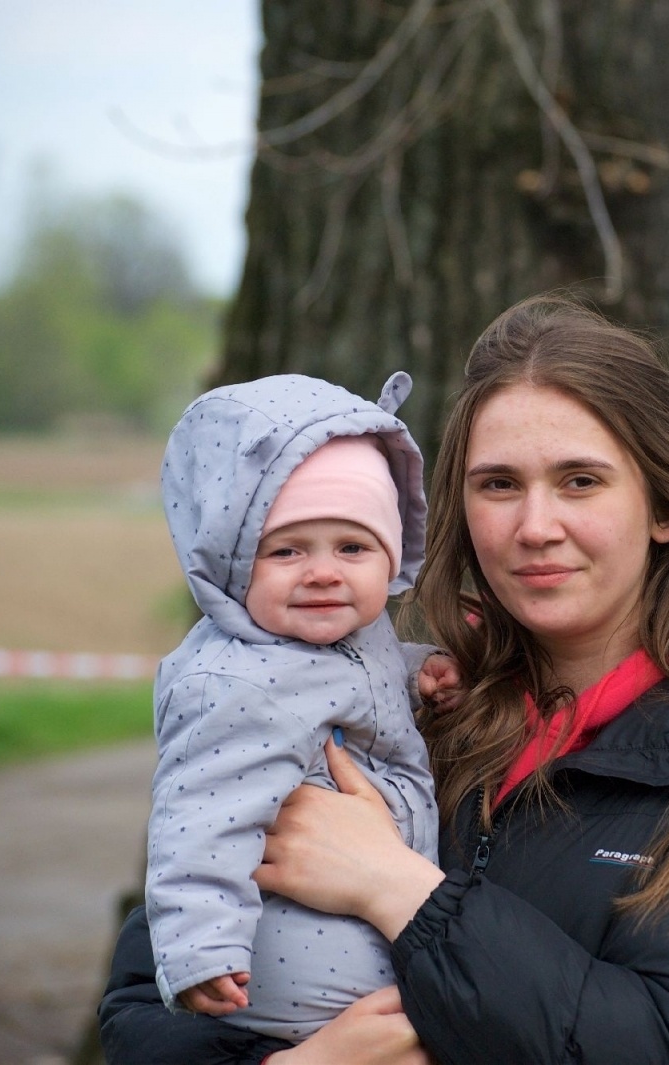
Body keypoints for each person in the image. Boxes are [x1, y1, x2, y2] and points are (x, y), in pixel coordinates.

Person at [99, 296, 669, 1064]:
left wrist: (397, 889)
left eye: (580, 481)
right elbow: (147, 988)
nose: (535, 525)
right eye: (499, 484)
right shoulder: (387, 700)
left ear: (663, 504)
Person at [145, 372, 459, 1041]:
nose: (323, 571)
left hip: (377, 940)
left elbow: (351, 683)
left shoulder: (352, 634)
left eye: (352, 547)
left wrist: (417, 672)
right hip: (297, 986)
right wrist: (201, 949)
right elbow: (197, 819)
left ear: (389, 554)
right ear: (232, 563)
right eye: (286, 550)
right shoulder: (230, 684)